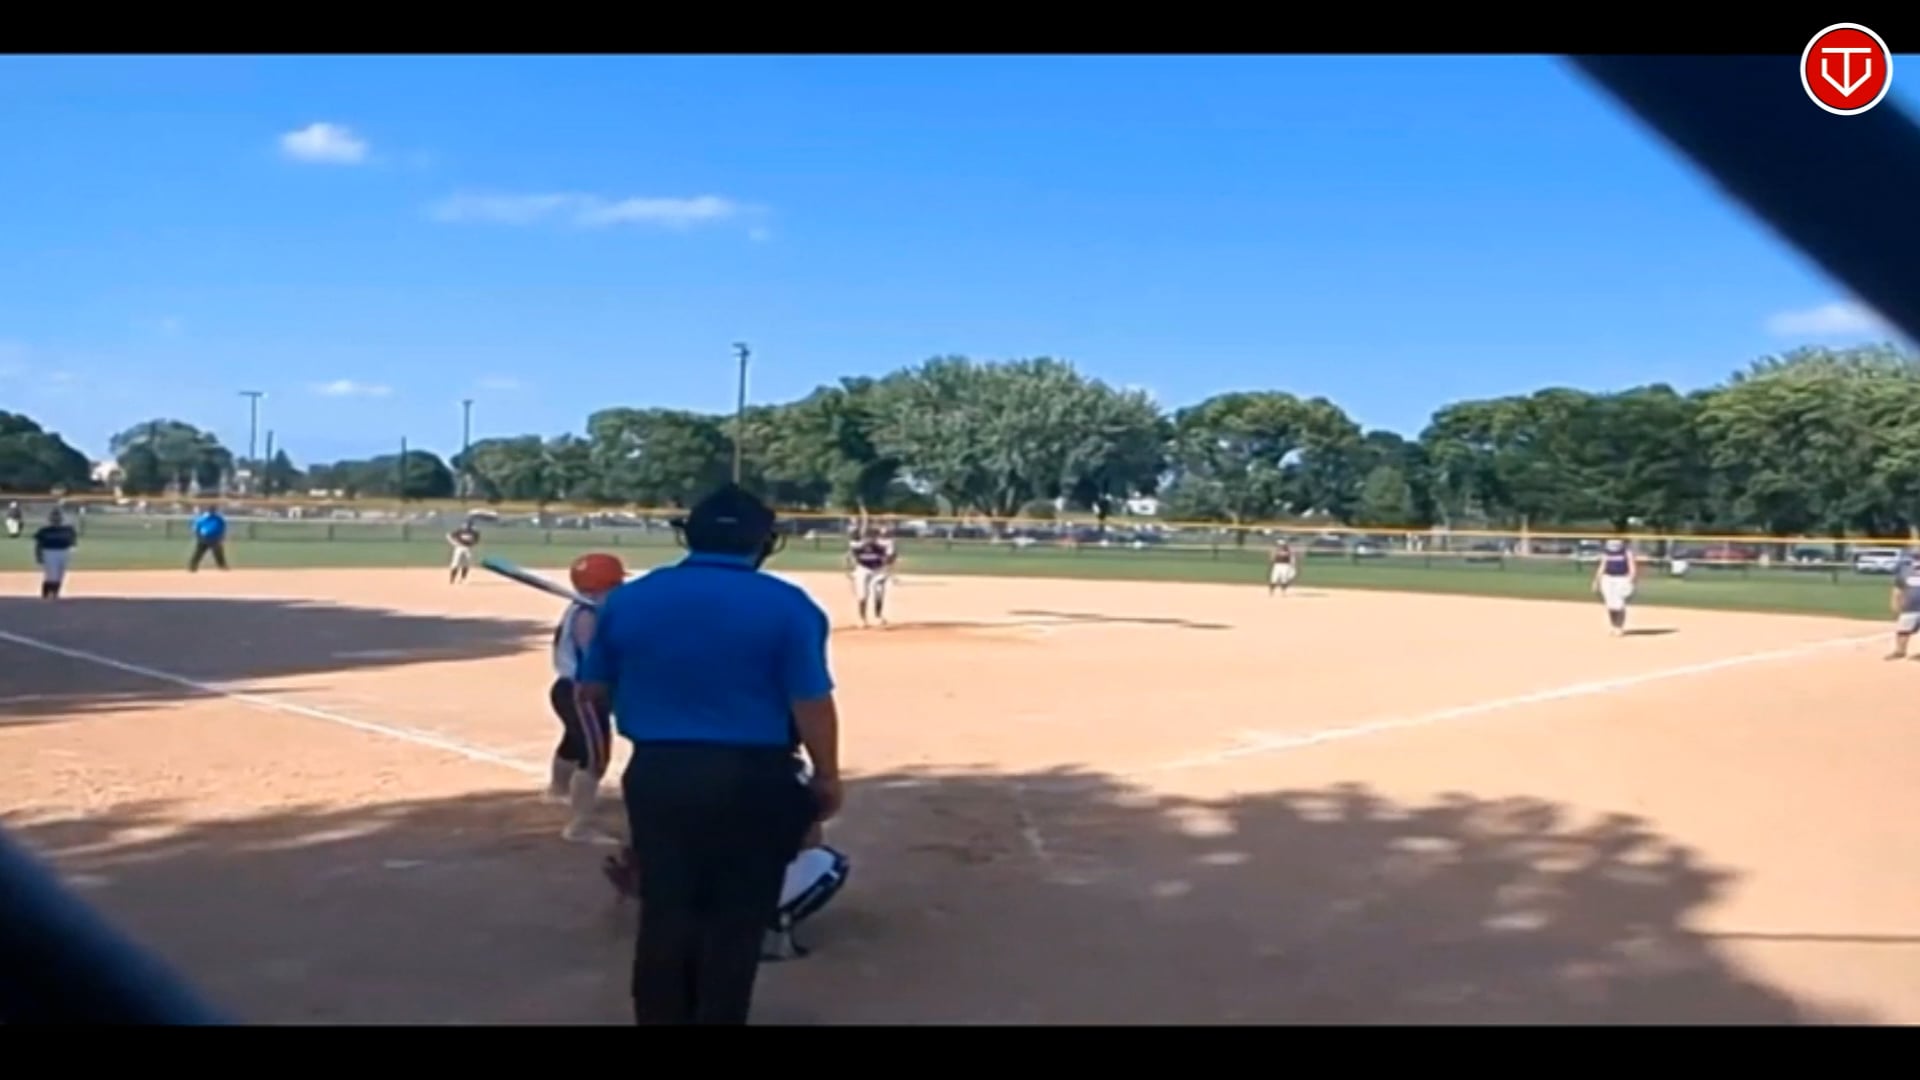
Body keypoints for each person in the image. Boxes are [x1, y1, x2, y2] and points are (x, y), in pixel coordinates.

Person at [578, 482, 842, 1025]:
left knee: (666, 910)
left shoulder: (629, 600)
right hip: (754, 777)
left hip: (659, 772)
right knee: (736, 919)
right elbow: (811, 702)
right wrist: (827, 776)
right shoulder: (788, 605)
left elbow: (592, 692)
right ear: (762, 542)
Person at [548, 551, 626, 843]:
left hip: (567, 689)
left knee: (574, 742)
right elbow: (591, 657)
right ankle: (580, 827)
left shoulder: (584, 608)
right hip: (582, 692)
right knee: (595, 758)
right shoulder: (588, 614)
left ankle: (557, 789)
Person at [846, 525, 897, 628]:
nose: (869, 539)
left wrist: (888, 563)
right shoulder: (857, 545)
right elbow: (850, 557)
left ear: (876, 537)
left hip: (878, 569)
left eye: (872, 536)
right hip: (863, 569)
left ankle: (878, 616)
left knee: (879, 593)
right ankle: (862, 619)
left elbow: (891, 558)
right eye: (867, 537)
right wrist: (850, 570)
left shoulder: (883, 545)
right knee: (862, 595)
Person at [1592, 537, 1637, 635]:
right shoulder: (1607, 552)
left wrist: (1630, 580)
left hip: (1622, 578)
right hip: (1607, 578)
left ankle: (1619, 627)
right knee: (1610, 605)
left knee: (1619, 605)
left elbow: (1632, 568)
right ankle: (1613, 625)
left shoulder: (1626, 552)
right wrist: (1596, 581)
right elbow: (1602, 566)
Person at [33, 509, 77, 599]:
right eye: (54, 516)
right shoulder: (44, 530)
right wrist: (38, 555)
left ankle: (55, 594)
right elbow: (39, 544)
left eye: (58, 516)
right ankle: (45, 595)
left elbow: (73, 542)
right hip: (49, 552)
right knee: (51, 576)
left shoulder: (68, 529)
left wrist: (72, 551)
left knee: (60, 575)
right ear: (50, 519)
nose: (56, 518)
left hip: (64, 552)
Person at [1886, 546, 1920, 660]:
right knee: (1903, 630)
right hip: (1909, 607)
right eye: (1916, 557)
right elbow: (1897, 588)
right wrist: (1895, 603)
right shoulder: (1905, 571)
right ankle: (1900, 651)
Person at [188, 506, 228, 572]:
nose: (212, 512)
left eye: (213, 510)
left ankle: (222, 566)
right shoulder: (202, 518)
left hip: (215, 538)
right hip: (204, 538)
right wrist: (198, 536)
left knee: (218, 553)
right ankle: (193, 566)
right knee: (198, 553)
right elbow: (196, 528)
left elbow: (223, 527)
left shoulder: (219, 518)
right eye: (211, 510)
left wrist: (222, 536)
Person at [447, 518, 481, 585]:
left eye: (469, 524)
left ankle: (463, 579)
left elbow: (476, 540)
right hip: (459, 547)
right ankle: (452, 579)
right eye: (466, 524)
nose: (467, 526)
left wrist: (473, 544)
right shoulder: (460, 530)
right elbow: (449, 535)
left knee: (466, 564)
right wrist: (454, 543)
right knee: (455, 563)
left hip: (468, 548)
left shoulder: (474, 532)